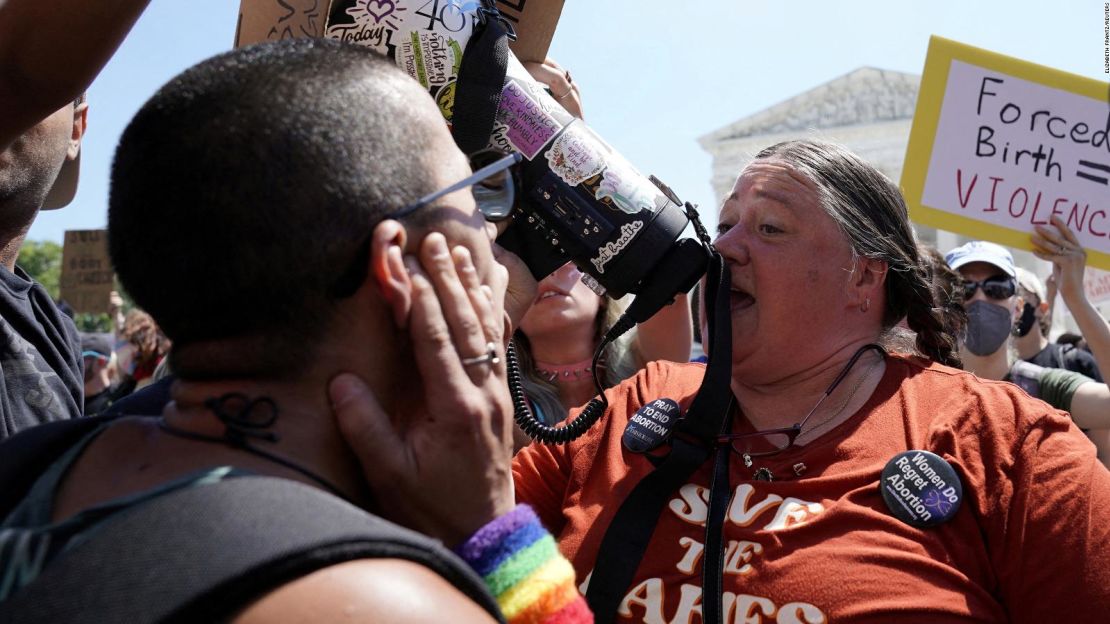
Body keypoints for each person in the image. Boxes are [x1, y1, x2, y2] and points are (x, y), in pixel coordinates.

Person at [0, 39, 590, 623]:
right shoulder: (380, 605)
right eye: (475, 194)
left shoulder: (31, 466)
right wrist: (494, 537)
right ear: (401, 267)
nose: (493, 236)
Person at [512, 139, 1110, 622]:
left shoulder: (1010, 446)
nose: (723, 249)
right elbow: (467, 540)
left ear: (863, 279)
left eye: (770, 228)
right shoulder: (637, 405)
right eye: (723, 226)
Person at [945, 240, 1110, 438]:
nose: (980, 298)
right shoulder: (927, 387)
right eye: (964, 288)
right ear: (948, 305)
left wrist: (1075, 297)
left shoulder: (1045, 388)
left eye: (997, 287)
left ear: (1018, 307)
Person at [1012, 266, 1102, 381]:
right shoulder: (992, 375)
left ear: (1042, 309)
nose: (1009, 300)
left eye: (1017, 291)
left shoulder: (1077, 362)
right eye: (999, 292)